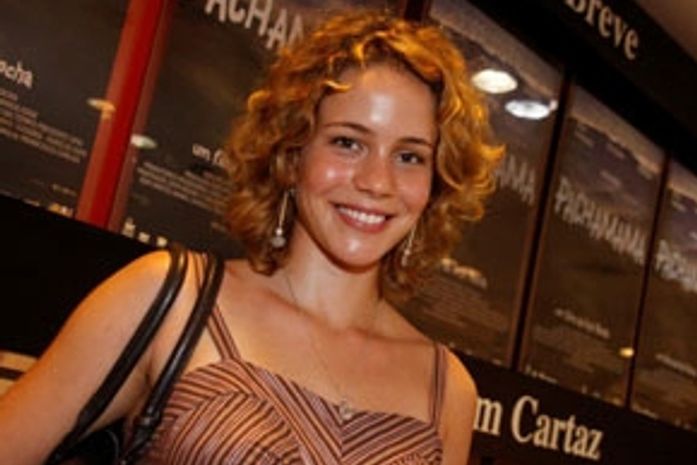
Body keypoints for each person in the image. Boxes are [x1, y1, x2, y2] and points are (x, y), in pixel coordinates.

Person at [0, 9, 501, 465]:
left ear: (437, 181)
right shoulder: (172, 299)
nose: (377, 182)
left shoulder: (448, 390)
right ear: (292, 153)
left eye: (409, 156)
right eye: (348, 143)